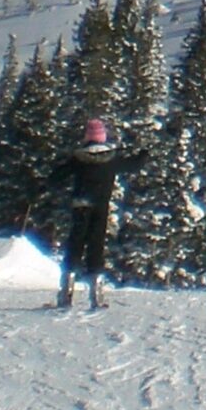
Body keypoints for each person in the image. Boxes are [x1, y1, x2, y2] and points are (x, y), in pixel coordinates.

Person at [51, 118, 139, 310]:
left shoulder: (79, 158)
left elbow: (57, 175)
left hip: (80, 206)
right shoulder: (111, 159)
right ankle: (96, 297)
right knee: (96, 247)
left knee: (75, 245)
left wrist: (41, 186)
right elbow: (133, 164)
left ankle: (65, 294)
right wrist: (145, 153)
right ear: (103, 137)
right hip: (101, 207)